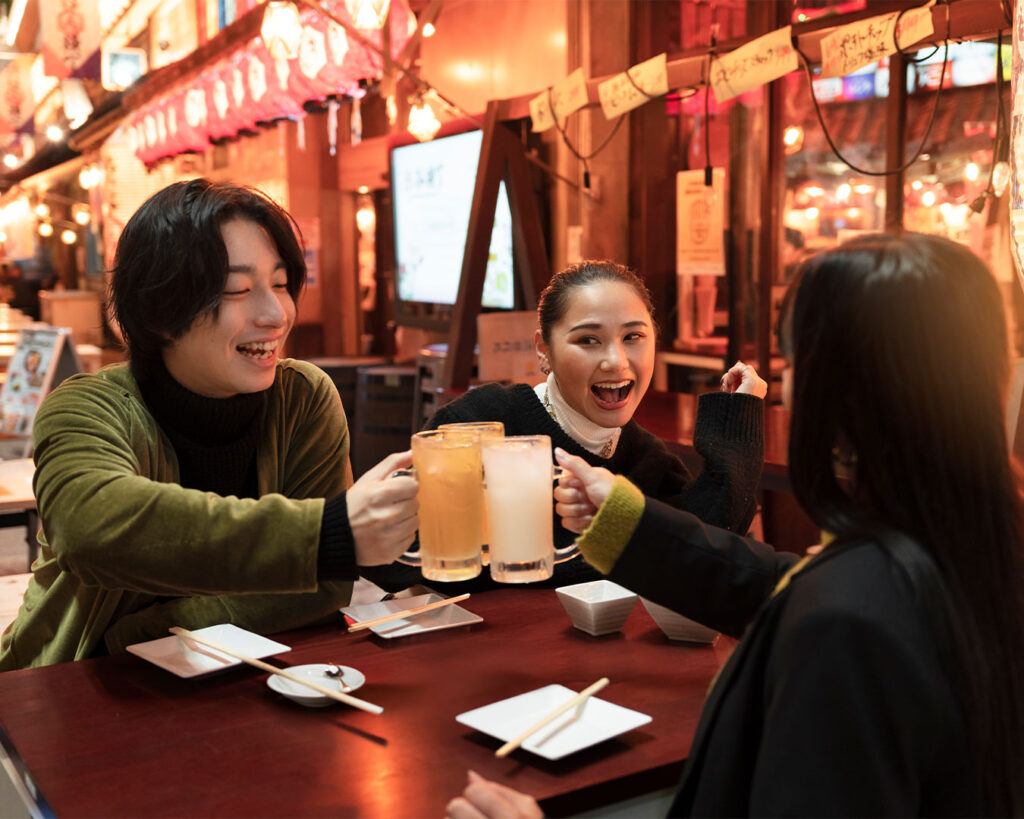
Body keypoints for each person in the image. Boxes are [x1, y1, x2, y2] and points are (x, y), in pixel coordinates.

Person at [447, 233, 1024, 817]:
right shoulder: (972, 545)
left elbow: (818, 597)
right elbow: (783, 580)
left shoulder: (847, 625)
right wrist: (623, 520)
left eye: (797, 360)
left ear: (840, 392)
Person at [0, 179, 419, 670]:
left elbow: (320, 588)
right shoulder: (86, 407)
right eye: (237, 289)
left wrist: (144, 634)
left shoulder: (302, 397)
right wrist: (325, 536)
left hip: (240, 684)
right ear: (160, 312)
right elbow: (92, 530)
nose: (276, 314)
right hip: (72, 684)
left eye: (281, 284)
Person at [362, 260, 766, 592]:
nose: (616, 361)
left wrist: (739, 416)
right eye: (588, 340)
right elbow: (392, 562)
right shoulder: (484, 423)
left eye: (633, 337)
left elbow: (710, 553)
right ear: (544, 349)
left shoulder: (647, 459)